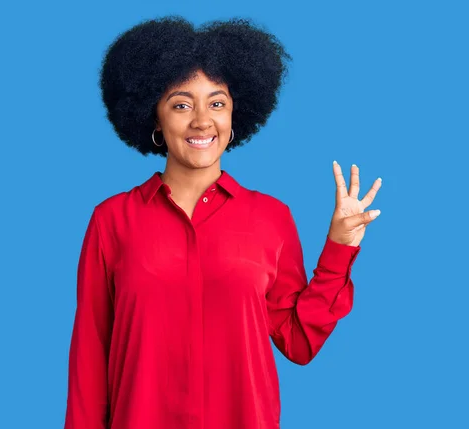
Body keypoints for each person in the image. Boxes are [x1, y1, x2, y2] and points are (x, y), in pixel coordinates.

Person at [63, 16, 382, 429]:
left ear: (235, 117)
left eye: (217, 103)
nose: (201, 121)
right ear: (154, 117)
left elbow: (299, 341)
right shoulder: (111, 220)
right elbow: (90, 354)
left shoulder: (271, 218)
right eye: (181, 104)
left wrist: (341, 246)